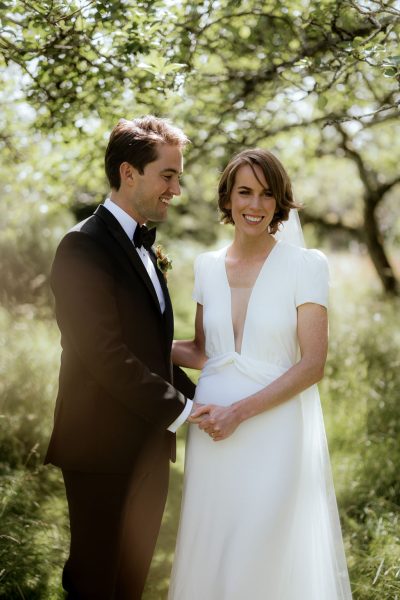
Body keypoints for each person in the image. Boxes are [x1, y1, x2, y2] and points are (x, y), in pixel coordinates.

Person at [169, 149, 353, 599]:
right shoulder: (206, 266)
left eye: (267, 194)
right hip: (212, 431)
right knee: (214, 546)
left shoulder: (306, 265)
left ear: (280, 202)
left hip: (271, 428)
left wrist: (240, 413)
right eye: (245, 192)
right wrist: (122, 344)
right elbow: (201, 351)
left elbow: (312, 363)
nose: (256, 205)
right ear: (227, 198)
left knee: (260, 549)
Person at [44, 116, 196, 600]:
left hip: (150, 443)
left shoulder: (148, 248)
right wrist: (185, 410)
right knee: (95, 577)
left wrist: (212, 396)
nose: (176, 188)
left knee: (132, 580)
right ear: (129, 173)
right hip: (100, 445)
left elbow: (147, 348)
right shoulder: (82, 246)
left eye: (178, 176)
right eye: (167, 175)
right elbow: (105, 354)